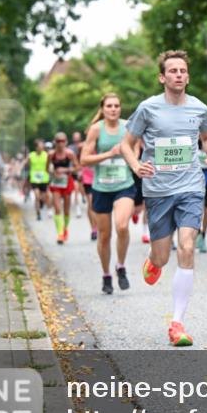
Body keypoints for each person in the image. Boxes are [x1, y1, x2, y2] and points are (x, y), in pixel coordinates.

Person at [120, 50, 207, 347]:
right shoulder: (148, 109)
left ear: (188, 76)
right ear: (162, 77)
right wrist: (135, 165)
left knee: (187, 247)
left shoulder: (199, 108)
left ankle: (177, 323)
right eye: (172, 71)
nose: (178, 74)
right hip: (158, 191)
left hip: (190, 187)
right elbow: (126, 144)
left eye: (183, 71)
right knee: (163, 256)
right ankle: (153, 260)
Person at [81, 93, 136, 295]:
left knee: (122, 226)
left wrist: (132, 158)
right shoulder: (96, 130)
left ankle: (120, 266)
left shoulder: (128, 127)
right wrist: (109, 154)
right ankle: (106, 274)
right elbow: (84, 159)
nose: (113, 109)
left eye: (116, 105)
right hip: (101, 187)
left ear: (120, 108)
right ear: (103, 109)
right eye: (109, 106)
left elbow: (136, 147)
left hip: (124, 184)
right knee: (104, 236)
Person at [47, 132, 79, 244]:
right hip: (56, 183)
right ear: (55, 142)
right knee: (57, 208)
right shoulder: (51, 154)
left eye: (63, 141)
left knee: (66, 209)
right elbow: (47, 169)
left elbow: (78, 167)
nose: (60, 143)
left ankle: (65, 229)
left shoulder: (70, 154)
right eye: (58, 141)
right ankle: (60, 234)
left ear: (66, 142)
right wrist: (52, 172)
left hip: (67, 182)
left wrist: (65, 170)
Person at [27, 139, 50, 221]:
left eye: (43, 146)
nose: (42, 148)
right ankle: (38, 214)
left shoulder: (46, 155)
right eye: (40, 146)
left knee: (43, 198)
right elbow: (26, 163)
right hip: (34, 179)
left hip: (44, 179)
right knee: (37, 196)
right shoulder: (31, 155)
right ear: (36, 147)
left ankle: (41, 203)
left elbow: (50, 164)